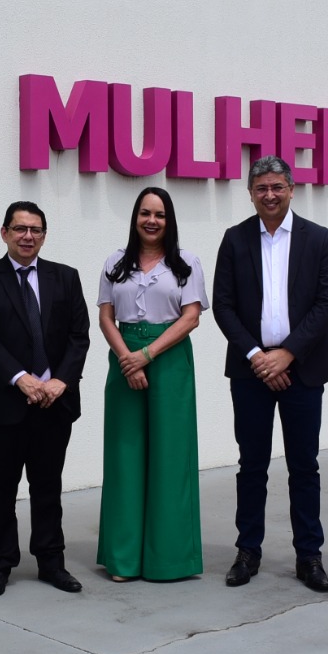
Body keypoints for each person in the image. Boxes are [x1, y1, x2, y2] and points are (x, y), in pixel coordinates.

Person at [213, 155, 328, 591]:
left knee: (304, 465)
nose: (269, 195)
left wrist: (286, 354)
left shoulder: (318, 239)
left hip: (302, 370)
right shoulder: (233, 240)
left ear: (291, 189)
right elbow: (223, 305)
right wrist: (257, 356)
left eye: (277, 187)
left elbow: (327, 302)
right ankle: (248, 550)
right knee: (251, 464)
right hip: (251, 372)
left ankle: (309, 555)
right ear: (250, 193)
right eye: (261, 188)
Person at [0, 200, 91, 597]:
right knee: (0, 488)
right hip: (1, 403)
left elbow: (78, 336)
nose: (27, 236)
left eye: (35, 229)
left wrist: (60, 382)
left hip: (54, 403)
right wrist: (21, 379)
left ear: (44, 235)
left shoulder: (65, 277)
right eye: (19, 229)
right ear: (4, 233)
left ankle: (51, 563)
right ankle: (0, 564)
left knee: (48, 487)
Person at [95, 187, 208, 582]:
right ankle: (123, 559)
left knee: (170, 457)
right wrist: (128, 357)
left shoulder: (187, 263)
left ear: (169, 220)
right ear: (135, 217)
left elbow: (191, 317)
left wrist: (147, 355)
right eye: (145, 213)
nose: (151, 220)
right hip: (124, 356)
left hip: (170, 359)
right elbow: (106, 317)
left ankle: (169, 560)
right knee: (125, 458)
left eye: (159, 214)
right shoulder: (115, 262)